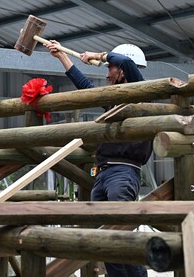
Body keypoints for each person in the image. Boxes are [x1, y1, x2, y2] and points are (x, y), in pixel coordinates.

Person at [45, 41, 152, 277]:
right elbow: (85, 87)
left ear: (122, 71)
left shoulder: (139, 91)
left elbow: (124, 61)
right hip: (104, 173)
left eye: (110, 68)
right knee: (104, 240)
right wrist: (61, 56)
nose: (107, 72)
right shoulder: (115, 100)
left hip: (123, 172)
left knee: (121, 235)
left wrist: (99, 55)